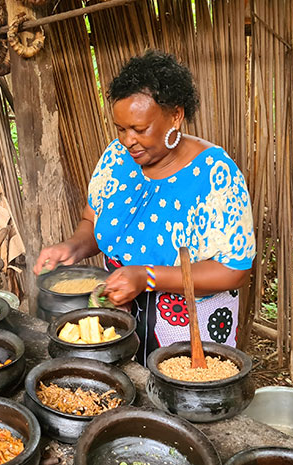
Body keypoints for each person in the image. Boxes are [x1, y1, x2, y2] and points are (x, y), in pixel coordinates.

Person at [34, 50, 256, 364]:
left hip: (186, 327)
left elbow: (233, 271)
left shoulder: (215, 175)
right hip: (120, 315)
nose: (127, 140)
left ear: (175, 115)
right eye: (121, 129)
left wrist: (147, 277)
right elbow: (93, 219)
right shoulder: (117, 158)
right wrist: (72, 247)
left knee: (179, 404)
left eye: (140, 129)